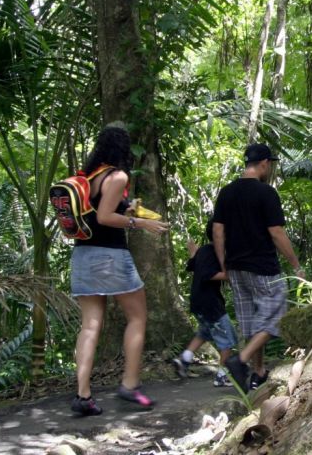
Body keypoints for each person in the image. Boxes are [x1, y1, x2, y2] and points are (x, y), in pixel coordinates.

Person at [69, 125, 170, 416]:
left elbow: (98, 212)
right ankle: (130, 385)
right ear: (124, 149)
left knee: (90, 325)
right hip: (110, 256)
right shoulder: (118, 175)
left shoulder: (89, 176)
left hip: (83, 255)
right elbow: (104, 217)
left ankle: (83, 395)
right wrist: (142, 223)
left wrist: (128, 211)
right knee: (138, 317)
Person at [213, 143, 304, 392]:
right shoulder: (266, 193)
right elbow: (276, 232)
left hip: (235, 268)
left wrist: (223, 265)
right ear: (264, 163)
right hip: (263, 268)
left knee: (252, 323)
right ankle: (240, 360)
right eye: (270, 164)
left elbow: (217, 231)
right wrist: (296, 265)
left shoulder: (227, 192)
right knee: (275, 316)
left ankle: (258, 372)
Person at [172, 221, 238, 387]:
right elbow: (207, 274)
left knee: (205, 332)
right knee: (228, 339)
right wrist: (230, 276)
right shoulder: (216, 252)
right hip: (211, 304)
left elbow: (193, 266)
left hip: (198, 302)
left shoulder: (203, 251)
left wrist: (194, 253)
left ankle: (184, 359)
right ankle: (222, 375)